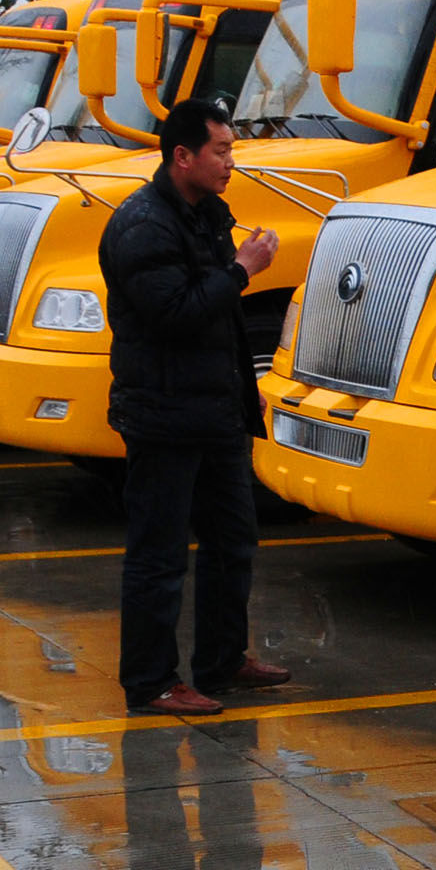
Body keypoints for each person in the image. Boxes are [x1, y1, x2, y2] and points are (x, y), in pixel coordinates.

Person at [99, 96, 291, 715]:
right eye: (222, 150)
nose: (232, 161)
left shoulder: (207, 213)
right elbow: (174, 314)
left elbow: (219, 323)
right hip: (164, 416)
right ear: (183, 156)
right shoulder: (143, 226)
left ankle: (223, 659)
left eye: (231, 148)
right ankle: (151, 682)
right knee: (158, 557)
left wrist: (243, 392)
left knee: (233, 540)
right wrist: (241, 269)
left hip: (214, 413)